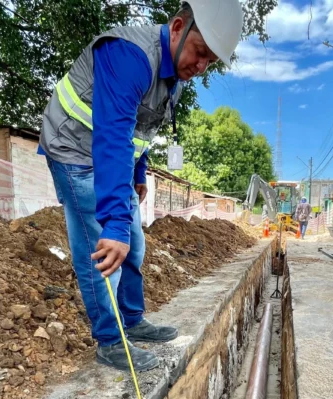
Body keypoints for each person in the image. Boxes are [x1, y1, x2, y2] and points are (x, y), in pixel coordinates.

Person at [40, 0, 242, 372]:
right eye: (200, 53)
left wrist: (137, 176)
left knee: (134, 246)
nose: (200, 67)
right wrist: (114, 222)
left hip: (111, 156)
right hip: (72, 150)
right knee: (103, 252)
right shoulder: (129, 54)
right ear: (178, 27)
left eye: (210, 62)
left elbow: (140, 133)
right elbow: (113, 136)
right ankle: (111, 340)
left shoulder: (173, 81)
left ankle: (132, 320)